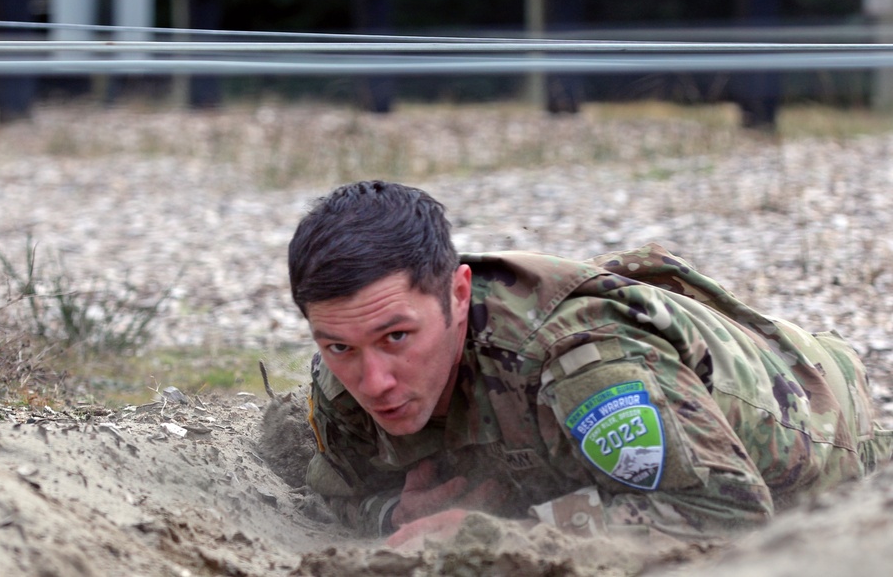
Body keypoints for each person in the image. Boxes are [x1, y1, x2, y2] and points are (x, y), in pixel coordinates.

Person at [287, 180, 892, 548]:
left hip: (820, 424)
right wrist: (392, 512)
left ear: (458, 293)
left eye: (396, 336)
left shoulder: (582, 362)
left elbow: (728, 514)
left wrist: (506, 532)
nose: (373, 382)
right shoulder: (341, 382)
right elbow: (334, 490)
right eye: (338, 346)